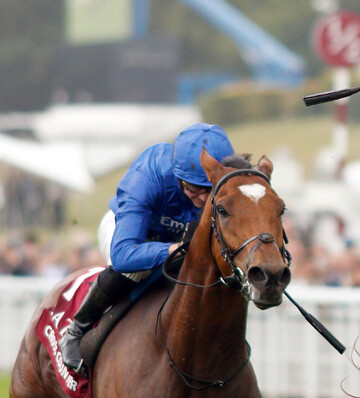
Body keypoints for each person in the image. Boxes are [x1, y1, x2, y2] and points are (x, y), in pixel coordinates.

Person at [58, 123, 235, 376]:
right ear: (179, 177)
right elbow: (123, 255)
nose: (205, 200)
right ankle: (76, 330)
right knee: (136, 270)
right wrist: (172, 249)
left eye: (211, 190)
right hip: (128, 232)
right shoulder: (149, 175)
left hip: (179, 240)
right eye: (196, 189)